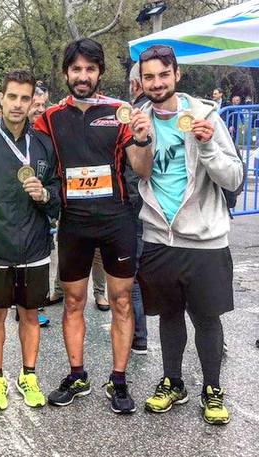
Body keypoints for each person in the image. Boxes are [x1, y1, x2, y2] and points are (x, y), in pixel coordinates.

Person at [34, 38, 153, 414]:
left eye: (90, 69)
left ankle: (118, 380)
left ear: (100, 72)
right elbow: (25, 144)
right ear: (66, 73)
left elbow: (142, 169)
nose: (82, 76)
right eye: (76, 69)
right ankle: (77, 375)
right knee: (73, 302)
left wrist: (143, 139)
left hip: (117, 220)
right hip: (74, 223)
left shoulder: (120, 112)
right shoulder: (50, 117)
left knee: (121, 301)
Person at [135, 44, 243, 425]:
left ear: (177, 74)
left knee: (207, 318)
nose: (156, 83)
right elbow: (140, 174)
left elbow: (234, 177)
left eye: (163, 74)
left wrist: (208, 145)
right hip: (159, 237)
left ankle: (212, 388)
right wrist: (140, 140)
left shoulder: (205, 116)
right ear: (141, 81)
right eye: (149, 76)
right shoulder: (139, 120)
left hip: (205, 239)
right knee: (168, 317)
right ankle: (173, 382)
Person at [0, 70, 60, 411]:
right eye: (13, 97)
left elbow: (58, 194)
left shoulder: (44, 144)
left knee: (30, 315)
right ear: (1, 99)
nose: (18, 105)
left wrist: (45, 195)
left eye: (25, 98)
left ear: (32, 101)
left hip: (34, 247)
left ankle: (29, 375)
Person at [126, 61, 150, 355]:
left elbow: (133, 170)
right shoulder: (172, 113)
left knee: (131, 276)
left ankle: (138, 336)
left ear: (134, 85)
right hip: (165, 210)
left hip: (137, 207)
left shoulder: (134, 117)